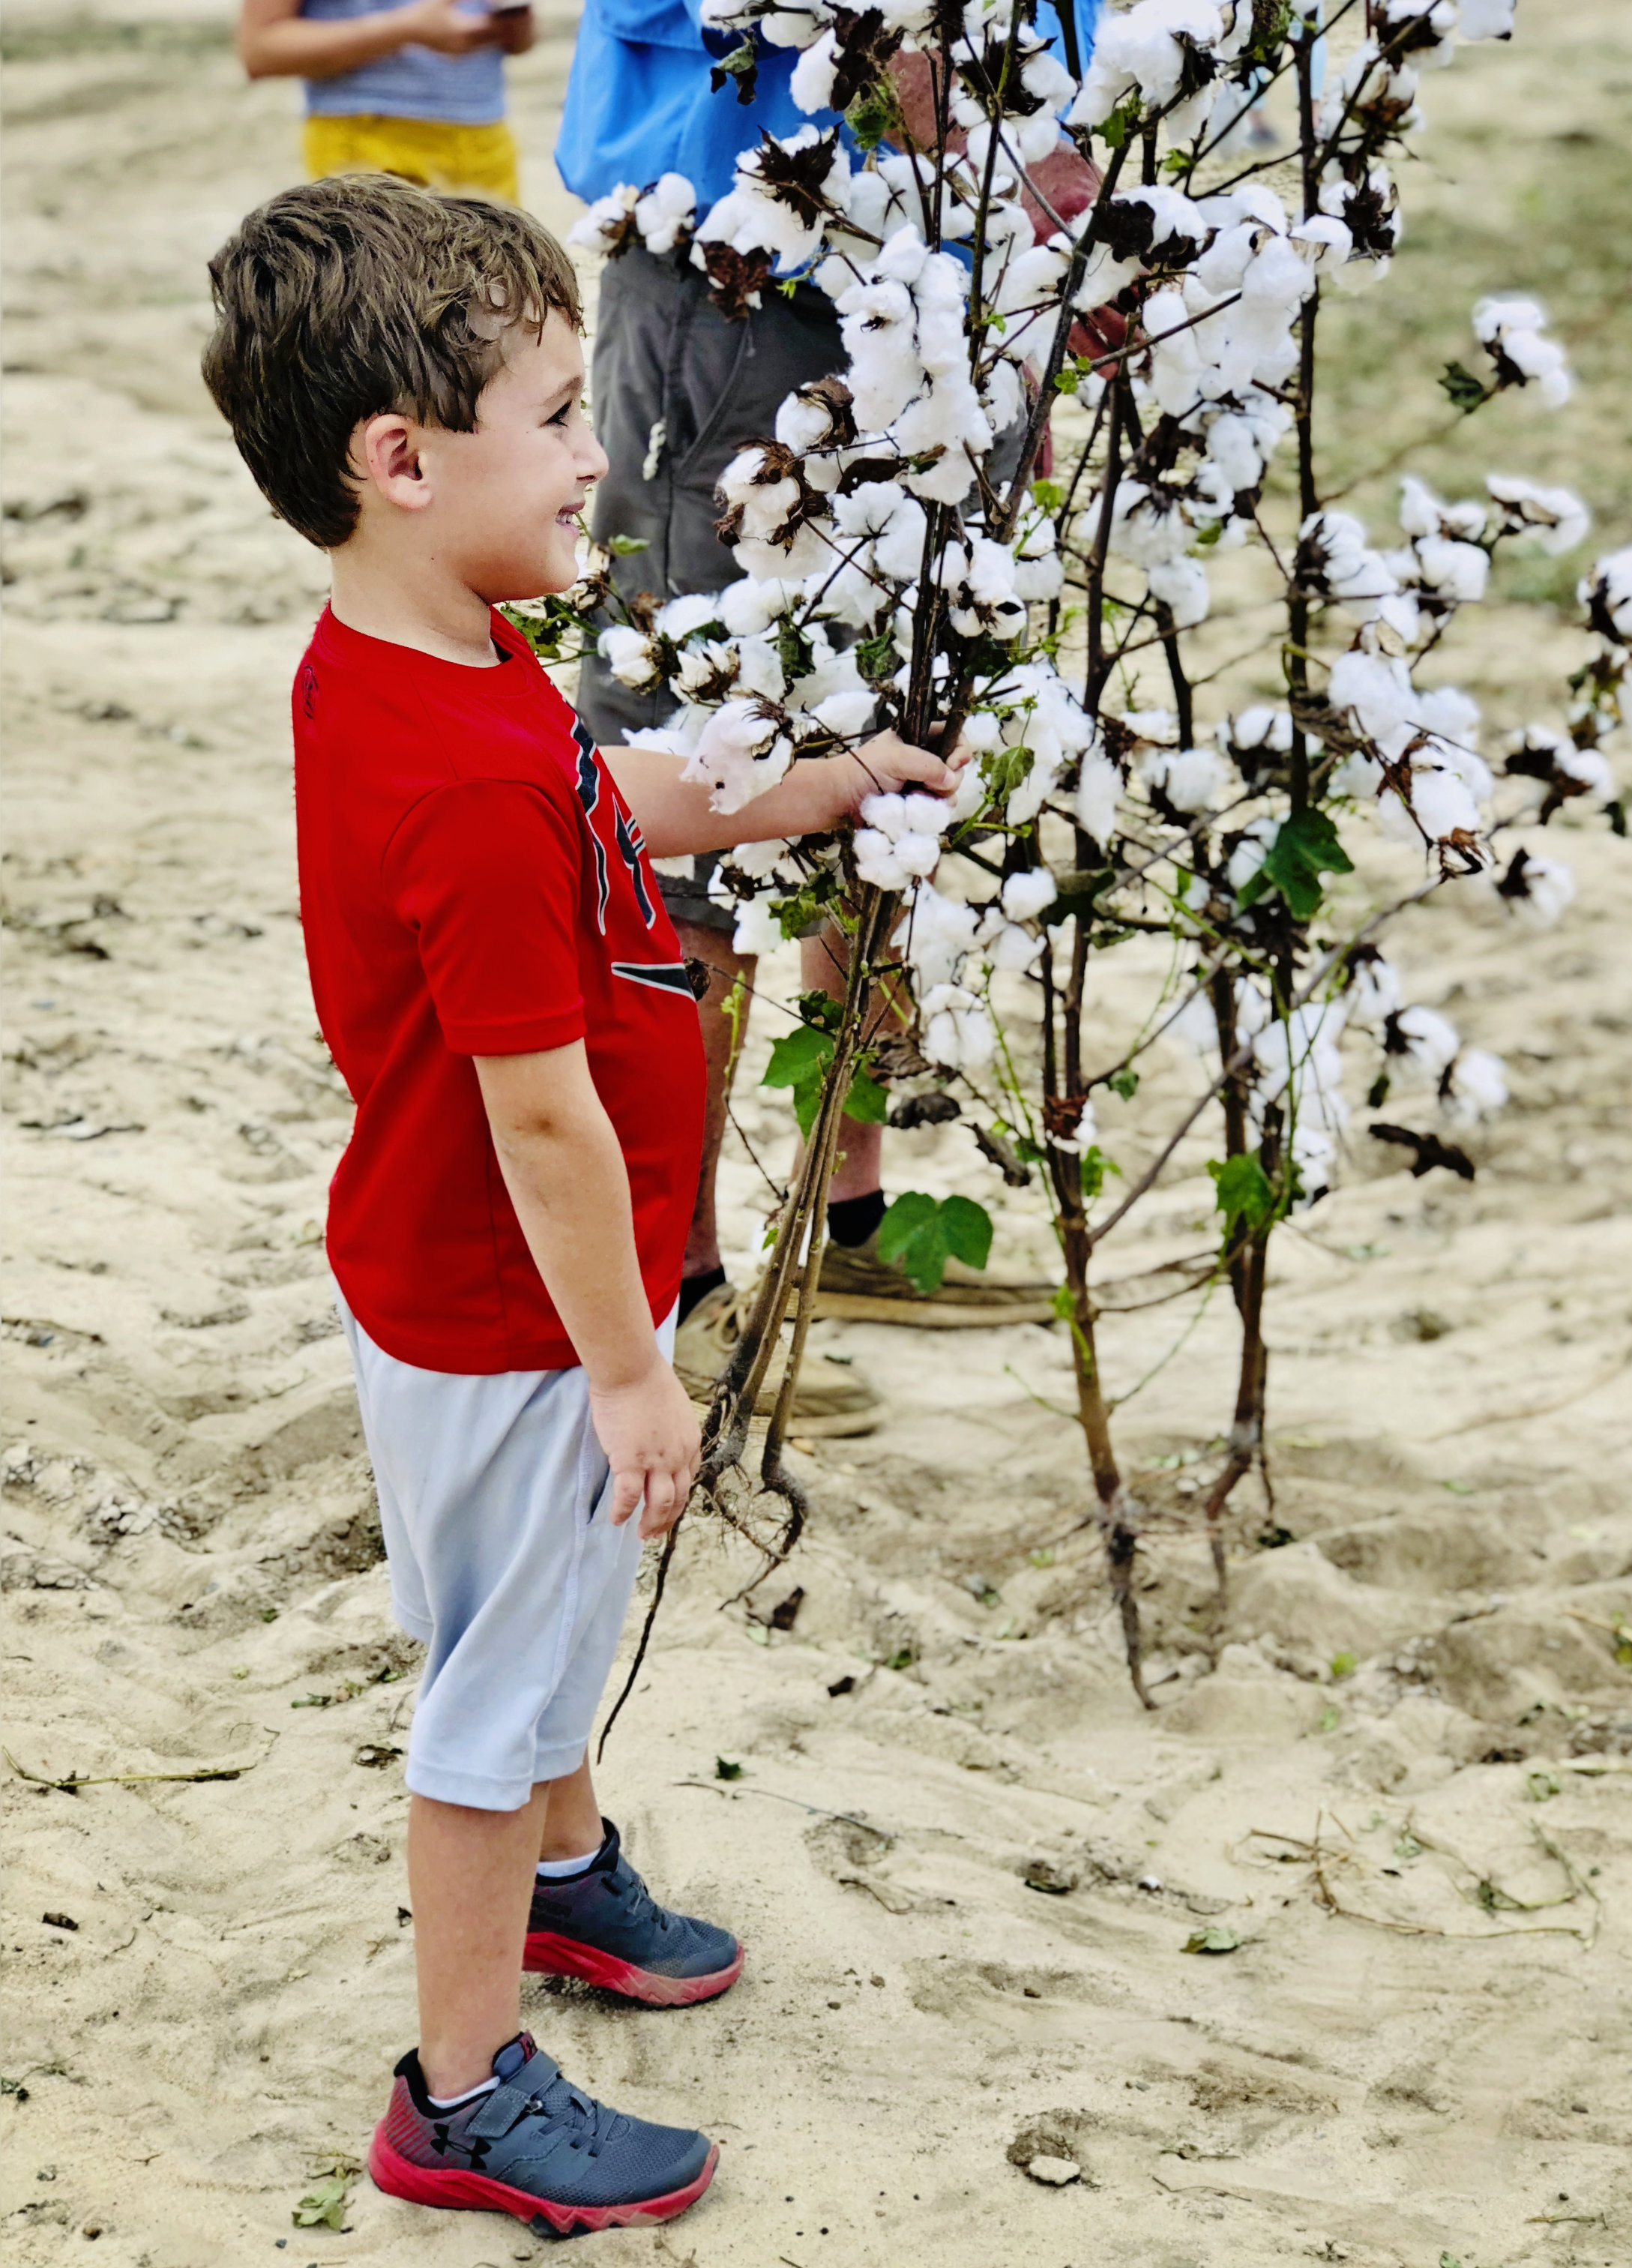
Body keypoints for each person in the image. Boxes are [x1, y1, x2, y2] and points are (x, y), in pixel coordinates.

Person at [200, 172, 968, 2234]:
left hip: (454, 1285)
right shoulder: (446, 749)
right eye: (552, 415)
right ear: (400, 457)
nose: (598, 450)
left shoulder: (433, 654)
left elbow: (589, 797)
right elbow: (535, 1117)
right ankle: (457, 2093)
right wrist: (634, 1373)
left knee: (514, 1630)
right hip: (518, 1311)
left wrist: (793, 786)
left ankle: (565, 1880)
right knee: (493, 1683)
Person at [556, 10, 1099, 1408]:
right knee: (694, 776)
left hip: (954, 274)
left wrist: (1055, 212)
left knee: (895, 758)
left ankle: (842, 1223)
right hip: (737, 265)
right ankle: (667, 1285)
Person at [238, 0, 535, 201]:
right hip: (367, 138)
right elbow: (260, 50)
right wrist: (406, 28)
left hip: (486, 135)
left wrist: (514, 27)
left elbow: (524, 38)